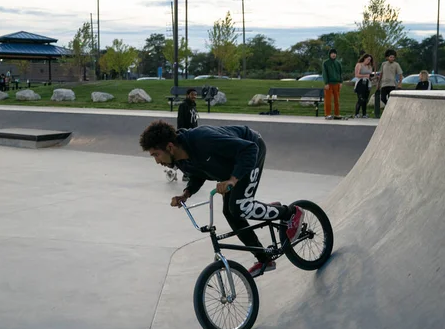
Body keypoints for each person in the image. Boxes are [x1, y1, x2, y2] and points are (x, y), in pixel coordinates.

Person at [139, 120, 305, 277]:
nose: (157, 161)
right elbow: (197, 174)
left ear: (170, 147)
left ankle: (290, 213)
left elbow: (249, 149)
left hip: (251, 150)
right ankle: (264, 259)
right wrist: (186, 194)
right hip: (231, 166)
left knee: (240, 207)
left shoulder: (203, 139)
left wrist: (233, 179)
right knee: (230, 212)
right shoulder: (180, 160)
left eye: (156, 155)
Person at [322, 48, 343, 119]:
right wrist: (326, 83)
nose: (334, 55)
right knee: (328, 99)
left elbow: (340, 73)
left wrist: (341, 82)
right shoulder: (326, 63)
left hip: (337, 83)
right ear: (330, 54)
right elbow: (324, 73)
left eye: (335, 53)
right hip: (329, 83)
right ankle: (327, 114)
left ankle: (337, 114)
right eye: (332, 53)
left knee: (337, 99)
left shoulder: (338, 63)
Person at [354, 54, 374, 118]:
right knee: (361, 98)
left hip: (367, 83)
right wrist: (365, 75)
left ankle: (364, 113)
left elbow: (370, 75)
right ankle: (356, 113)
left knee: (365, 99)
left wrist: (374, 77)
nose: (369, 61)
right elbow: (357, 75)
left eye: (370, 60)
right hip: (360, 82)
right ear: (364, 58)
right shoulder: (359, 65)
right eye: (368, 59)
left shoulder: (370, 67)